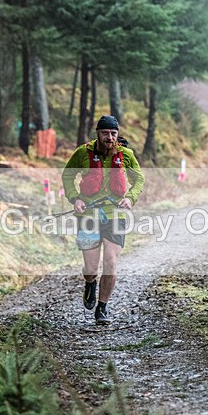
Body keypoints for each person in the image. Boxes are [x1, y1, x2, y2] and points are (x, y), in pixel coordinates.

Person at [62, 115, 145, 325]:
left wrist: (130, 197)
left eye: (113, 133)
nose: (110, 137)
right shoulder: (82, 153)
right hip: (89, 214)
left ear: (117, 134)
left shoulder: (126, 154)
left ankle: (102, 307)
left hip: (115, 214)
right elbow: (67, 176)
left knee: (110, 261)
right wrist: (75, 198)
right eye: (105, 133)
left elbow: (138, 179)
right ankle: (90, 283)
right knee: (91, 269)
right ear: (97, 133)